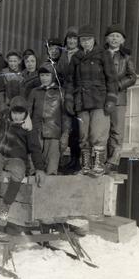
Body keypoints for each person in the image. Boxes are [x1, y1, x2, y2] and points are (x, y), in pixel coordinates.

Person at [0, 96, 45, 226]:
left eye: (21, 113)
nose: (17, 116)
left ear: (26, 113)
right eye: (14, 113)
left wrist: (40, 168)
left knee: (18, 174)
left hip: (17, 159)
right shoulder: (5, 120)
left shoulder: (29, 129)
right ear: (10, 112)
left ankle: (5, 208)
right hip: (0, 155)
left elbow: (35, 149)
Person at [65, 24, 118, 177]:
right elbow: (70, 81)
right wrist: (69, 100)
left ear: (94, 40)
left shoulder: (103, 54)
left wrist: (111, 99)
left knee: (97, 133)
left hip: (99, 100)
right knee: (83, 135)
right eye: (83, 40)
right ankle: (86, 166)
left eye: (88, 39)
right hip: (81, 102)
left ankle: (99, 166)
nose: (85, 43)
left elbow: (112, 79)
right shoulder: (76, 58)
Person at [104, 24, 137, 172]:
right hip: (102, 98)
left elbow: (132, 77)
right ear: (106, 39)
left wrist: (118, 85)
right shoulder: (101, 54)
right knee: (103, 130)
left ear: (122, 40)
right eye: (112, 36)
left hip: (118, 99)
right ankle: (101, 161)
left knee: (116, 131)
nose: (114, 39)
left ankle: (112, 162)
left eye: (118, 36)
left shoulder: (126, 57)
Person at [28, 62, 71, 175]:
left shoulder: (61, 92)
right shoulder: (34, 92)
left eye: (47, 75)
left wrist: (65, 133)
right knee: (34, 166)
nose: (44, 78)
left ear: (53, 76)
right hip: (36, 131)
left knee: (51, 169)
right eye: (42, 75)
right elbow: (28, 112)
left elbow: (65, 115)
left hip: (54, 133)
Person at [58, 27, 81, 173]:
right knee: (67, 128)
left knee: (78, 129)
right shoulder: (63, 55)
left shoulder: (81, 54)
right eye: (69, 38)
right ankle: (68, 161)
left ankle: (76, 161)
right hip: (65, 94)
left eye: (74, 38)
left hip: (77, 94)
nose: (71, 41)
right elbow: (59, 73)